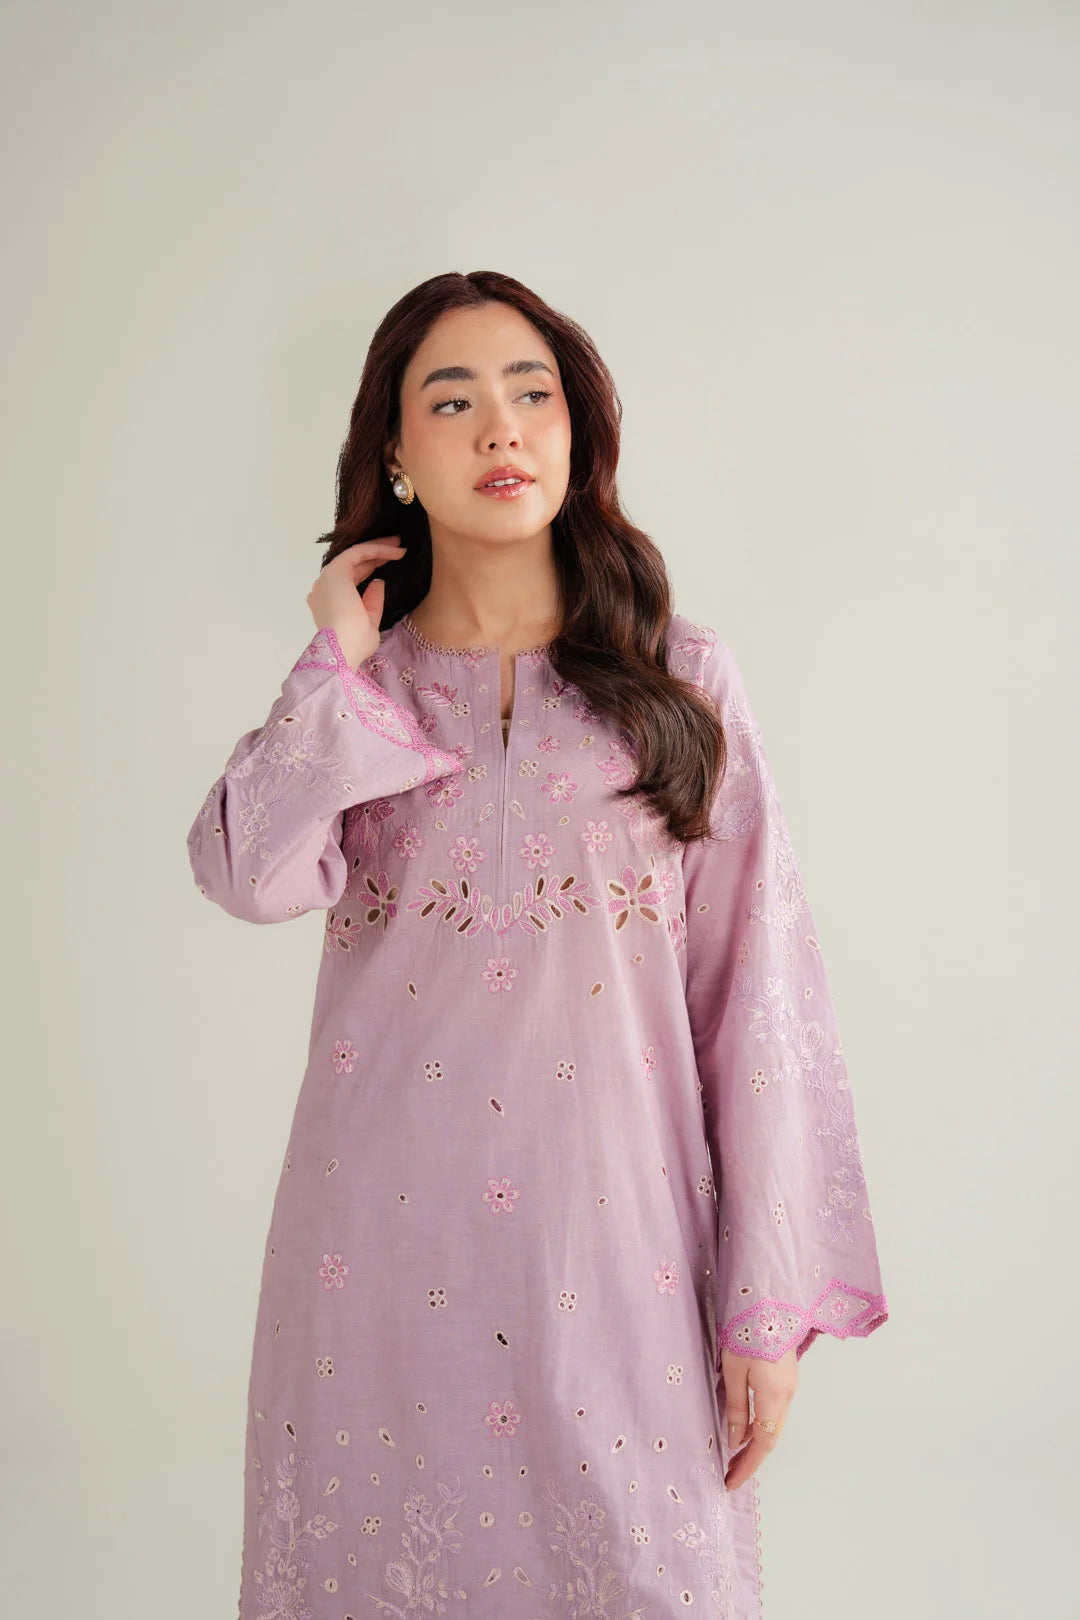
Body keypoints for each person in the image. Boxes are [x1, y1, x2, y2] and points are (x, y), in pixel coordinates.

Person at [187, 271, 888, 1620]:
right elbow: (244, 874)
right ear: (397, 453)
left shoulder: (680, 681)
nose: (502, 427)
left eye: (533, 395)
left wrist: (765, 1301)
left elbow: (758, 1002)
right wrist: (331, 666)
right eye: (453, 402)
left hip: (623, 1263)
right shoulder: (362, 693)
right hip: (375, 1263)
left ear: (577, 435)